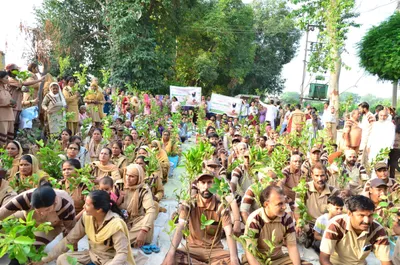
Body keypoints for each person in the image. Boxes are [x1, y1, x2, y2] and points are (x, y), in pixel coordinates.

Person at [38, 190, 136, 265]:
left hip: (109, 260)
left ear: (99, 210)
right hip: (91, 255)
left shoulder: (115, 224)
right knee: (62, 259)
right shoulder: (86, 217)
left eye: (87, 205)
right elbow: (69, 240)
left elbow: (122, 253)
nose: (84, 207)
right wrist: (44, 259)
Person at [162, 172, 240, 265]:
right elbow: (180, 227)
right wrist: (171, 253)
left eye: (210, 182)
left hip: (215, 250)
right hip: (193, 249)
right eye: (203, 183)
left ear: (215, 185)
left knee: (233, 260)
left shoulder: (221, 206)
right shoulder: (189, 204)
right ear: (198, 185)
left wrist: (234, 259)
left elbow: (229, 233)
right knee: (172, 257)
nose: (206, 186)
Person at [0, 180, 76, 259]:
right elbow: (3, 212)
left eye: (47, 210)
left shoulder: (66, 205)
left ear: (55, 202)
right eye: (38, 210)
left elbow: (71, 230)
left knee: (31, 249)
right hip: (28, 217)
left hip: (51, 227)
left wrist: (73, 251)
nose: (42, 213)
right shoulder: (25, 197)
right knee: (4, 224)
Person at [243, 186, 306, 265]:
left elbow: (292, 246)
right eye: (279, 204)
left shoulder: (286, 219)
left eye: (284, 202)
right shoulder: (255, 220)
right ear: (266, 204)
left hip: (278, 259)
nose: (284, 207)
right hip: (257, 260)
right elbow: (250, 252)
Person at [319, 195, 391, 265]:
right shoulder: (336, 225)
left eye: (370, 216)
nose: (366, 221)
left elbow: (386, 261)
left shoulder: (377, 230)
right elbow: (324, 259)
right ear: (349, 213)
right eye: (361, 215)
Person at [295, 163, 339, 247]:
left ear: (326, 174)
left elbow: (339, 211)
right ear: (311, 175)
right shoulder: (303, 189)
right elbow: (297, 208)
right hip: (308, 224)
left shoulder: (333, 191)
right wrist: (299, 223)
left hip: (325, 224)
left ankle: (316, 240)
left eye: (322, 175)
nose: (320, 179)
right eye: (317, 175)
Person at [119, 164, 156, 248]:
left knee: (147, 224)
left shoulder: (144, 189)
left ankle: (121, 241)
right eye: (127, 175)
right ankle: (126, 241)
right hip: (120, 219)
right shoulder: (119, 185)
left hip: (136, 221)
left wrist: (143, 231)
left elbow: (151, 209)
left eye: (132, 176)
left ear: (139, 177)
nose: (128, 178)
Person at [5, 64, 44, 132]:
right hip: (13, 107)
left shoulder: (15, 80)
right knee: (11, 126)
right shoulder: (10, 80)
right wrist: (39, 80)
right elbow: (24, 83)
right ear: (11, 71)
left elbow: (23, 87)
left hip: (17, 106)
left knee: (15, 125)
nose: (18, 71)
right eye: (17, 70)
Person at [358, 102, 376, 166]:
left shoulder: (370, 115)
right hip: (364, 138)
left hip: (368, 138)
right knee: (362, 155)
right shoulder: (364, 116)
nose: (359, 110)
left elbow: (373, 127)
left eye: (360, 109)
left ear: (365, 108)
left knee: (365, 155)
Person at [0, 71, 16, 145]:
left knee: (10, 139)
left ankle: (9, 155)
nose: (8, 79)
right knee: (2, 140)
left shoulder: (6, 89)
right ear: (1, 79)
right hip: (2, 117)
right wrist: (5, 104)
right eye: (6, 78)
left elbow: (10, 101)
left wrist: (13, 104)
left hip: (10, 116)